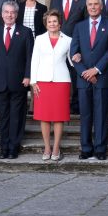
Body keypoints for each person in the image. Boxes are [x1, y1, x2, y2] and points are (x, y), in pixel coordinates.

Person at [70, 0, 108, 160]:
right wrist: (86, 73)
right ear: (87, 7)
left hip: (102, 78)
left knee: (101, 115)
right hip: (83, 79)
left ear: (101, 6)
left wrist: (96, 70)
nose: (92, 7)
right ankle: (86, 148)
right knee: (85, 115)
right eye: (90, 4)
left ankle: (100, 149)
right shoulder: (79, 26)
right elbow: (74, 53)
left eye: (96, 4)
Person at [0, 1, 34, 159]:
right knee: (3, 117)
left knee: (16, 116)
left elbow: (30, 56)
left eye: (12, 12)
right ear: (2, 15)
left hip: (19, 81)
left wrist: (28, 76)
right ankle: (4, 147)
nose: (9, 15)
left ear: (16, 14)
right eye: (6, 12)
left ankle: (14, 147)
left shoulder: (26, 32)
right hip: (1, 82)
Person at [30, 9, 73, 161]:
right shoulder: (39, 39)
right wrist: (33, 81)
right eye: (49, 21)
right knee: (44, 117)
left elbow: (72, 61)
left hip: (61, 82)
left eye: (55, 21)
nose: (52, 24)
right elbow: (35, 60)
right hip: (42, 81)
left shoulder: (68, 40)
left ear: (59, 23)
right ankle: (47, 147)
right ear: (46, 24)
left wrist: (79, 57)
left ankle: (56, 148)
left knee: (59, 116)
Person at [49, 0, 86, 113]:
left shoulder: (82, 1)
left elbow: (85, 24)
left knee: (75, 74)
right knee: (58, 72)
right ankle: (61, 102)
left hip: (75, 44)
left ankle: (75, 104)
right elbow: (51, 22)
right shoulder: (54, 1)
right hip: (57, 43)